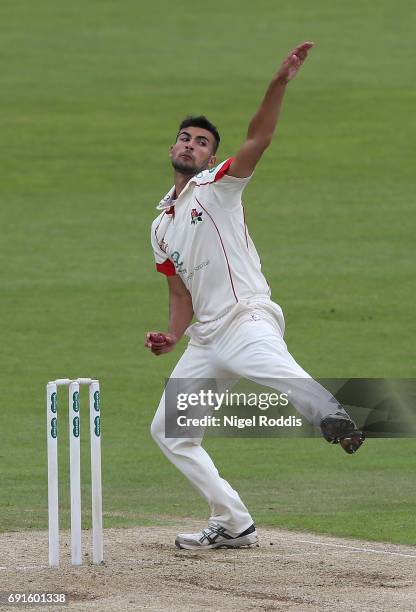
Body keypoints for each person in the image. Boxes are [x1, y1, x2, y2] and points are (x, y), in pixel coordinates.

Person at [145, 42, 364, 550]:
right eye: (184, 138)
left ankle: (331, 413)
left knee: (273, 364)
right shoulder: (160, 224)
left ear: (211, 156)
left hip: (245, 317)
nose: (189, 145)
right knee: (170, 432)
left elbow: (259, 138)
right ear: (172, 147)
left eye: (200, 141)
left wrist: (279, 83)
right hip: (204, 340)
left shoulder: (217, 186)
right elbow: (180, 290)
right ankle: (233, 521)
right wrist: (172, 335)